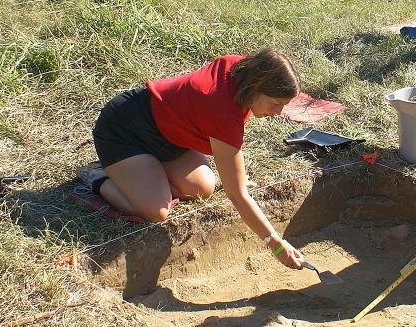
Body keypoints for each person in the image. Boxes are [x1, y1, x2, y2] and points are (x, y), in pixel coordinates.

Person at [77, 48, 306, 270]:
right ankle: (98, 176)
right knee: (156, 212)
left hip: (171, 135)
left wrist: (236, 178)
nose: (278, 112)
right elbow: (236, 195)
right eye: (275, 104)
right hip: (124, 129)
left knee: (202, 187)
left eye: (282, 106)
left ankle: (142, 173)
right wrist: (276, 244)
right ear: (256, 87)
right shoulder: (222, 111)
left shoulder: (243, 71)